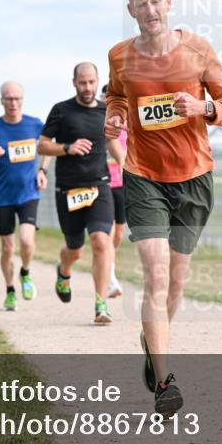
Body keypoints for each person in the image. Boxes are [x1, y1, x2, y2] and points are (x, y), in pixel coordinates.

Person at [105, 0, 222, 417]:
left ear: (169, 3)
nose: (150, 11)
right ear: (131, 11)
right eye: (140, 4)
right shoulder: (120, 56)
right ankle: (165, 381)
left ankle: (153, 341)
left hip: (194, 177)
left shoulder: (198, 50)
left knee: (176, 280)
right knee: (156, 274)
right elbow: (118, 98)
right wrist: (118, 117)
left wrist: (202, 106)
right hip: (143, 175)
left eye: (156, 2)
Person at [39, 63, 124, 325]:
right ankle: (64, 271)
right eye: (82, 83)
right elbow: (43, 145)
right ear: (73, 82)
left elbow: (111, 141)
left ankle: (101, 304)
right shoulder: (61, 111)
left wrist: (125, 164)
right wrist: (67, 147)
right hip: (69, 189)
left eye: (91, 82)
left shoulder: (105, 111)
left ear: (98, 81)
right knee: (74, 249)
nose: (88, 88)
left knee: (101, 240)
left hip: (99, 186)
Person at [0, 82, 50, 311]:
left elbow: (49, 147)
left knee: (27, 240)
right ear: (1, 100)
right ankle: (10, 290)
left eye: (17, 98)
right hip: (3, 197)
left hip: (29, 193)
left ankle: (25, 272)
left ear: (23, 100)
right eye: (8, 98)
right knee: (7, 248)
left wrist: (42, 170)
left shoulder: (35, 124)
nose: (13, 103)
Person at [101, 84, 128, 298]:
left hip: (124, 184)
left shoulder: (129, 124)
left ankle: (108, 261)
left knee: (119, 232)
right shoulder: (99, 124)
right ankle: (110, 277)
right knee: (108, 231)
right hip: (103, 184)